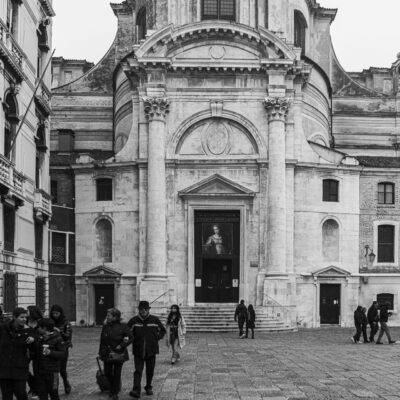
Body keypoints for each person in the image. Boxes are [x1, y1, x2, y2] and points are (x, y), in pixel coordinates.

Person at [127, 301, 166, 398]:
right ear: (138, 310)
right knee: (138, 370)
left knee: (150, 370)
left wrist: (157, 337)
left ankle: (148, 387)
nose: (143, 311)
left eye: (145, 309)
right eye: (141, 309)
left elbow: (163, 330)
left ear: (149, 309)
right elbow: (127, 332)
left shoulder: (155, 320)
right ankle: (136, 390)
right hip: (138, 350)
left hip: (151, 350)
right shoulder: (134, 320)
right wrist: (129, 338)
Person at [0, 307, 35, 400]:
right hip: (4, 368)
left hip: (20, 368)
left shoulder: (29, 331)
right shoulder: (3, 328)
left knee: (21, 394)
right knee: (6, 396)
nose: (24, 319)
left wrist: (33, 340)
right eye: (21, 317)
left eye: (25, 317)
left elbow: (34, 349)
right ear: (14, 317)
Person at [98, 308, 131, 400]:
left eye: (108, 315)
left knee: (117, 374)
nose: (107, 317)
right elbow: (102, 340)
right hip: (107, 353)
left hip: (119, 353)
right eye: (107, 315)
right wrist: (101, 352)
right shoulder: (106, 326)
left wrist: (122, 345)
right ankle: (114, 387)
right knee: (108, 373)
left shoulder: (123, 326)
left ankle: (114, 392)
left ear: (115, 317)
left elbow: (130, 337)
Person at [35, 318, 66, 400]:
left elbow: (62, 354)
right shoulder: (40, 338)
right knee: (42, 394)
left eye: (39, 327)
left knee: (54, 393)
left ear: (44, 328)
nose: (37, 328)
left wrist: (51, 353)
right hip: (41, 371)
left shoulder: (58, 338)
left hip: (53, 372)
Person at [49, 305, 72, 394]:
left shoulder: (66, 323)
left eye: (57, 313)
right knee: (54, 370)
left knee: (62, 369)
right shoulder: (50, 322)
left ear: (60, 313)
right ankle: (55, 389)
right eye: (53, 313)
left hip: (63, 348)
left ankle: (66, 382)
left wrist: (59, 331)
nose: (55, 315)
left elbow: (68, 337)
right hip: (52, 348)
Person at [27, 306, 44, 399]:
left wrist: (35, 339)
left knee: (37, 371)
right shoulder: (25, 322)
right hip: (27, 350)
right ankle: (33, 386)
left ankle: (38, 390)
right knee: (24, 370)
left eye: (28, 311)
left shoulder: (41, 323)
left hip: (38, 350)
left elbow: (44, 336)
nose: (27, 313)